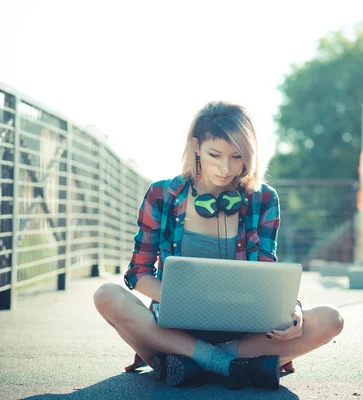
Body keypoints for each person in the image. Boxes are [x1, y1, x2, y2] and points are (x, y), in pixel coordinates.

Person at [93, 101, 344, 389]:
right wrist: (183, 302)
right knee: (107, 296)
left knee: (331, 319)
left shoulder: (263, 199)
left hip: (241, 332)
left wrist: (293, 312)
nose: (226, 169)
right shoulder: (162, 194)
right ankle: (233, 366)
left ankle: (187, 363)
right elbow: (138, 273)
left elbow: (266, 273)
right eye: (215, 155)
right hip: (175, 326)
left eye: (237, 157)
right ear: (196, 146)